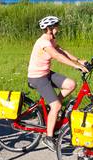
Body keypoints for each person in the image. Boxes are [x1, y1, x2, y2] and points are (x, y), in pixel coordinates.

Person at [28, 15, 89, 151]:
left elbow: (62, 51)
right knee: (56, 106)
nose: (58, 29)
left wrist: (78, 60)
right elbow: (57, 56)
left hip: (46, 74)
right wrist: (75, 66)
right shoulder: (44, 43)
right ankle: (48, 138)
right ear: (49, 29)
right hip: (37, 77)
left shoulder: (51, 40)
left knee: (71, 84)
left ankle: (54, 107)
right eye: (56, 27)